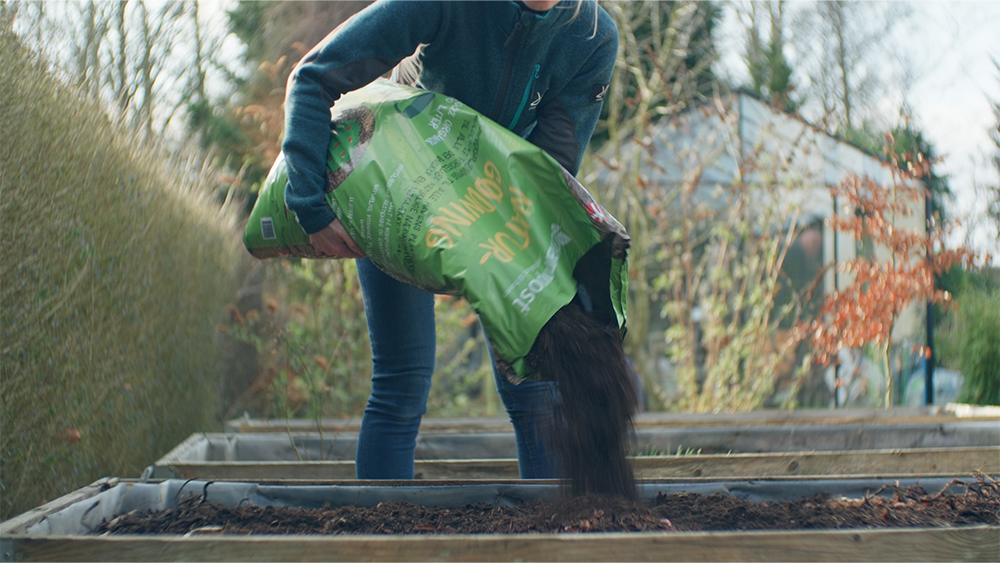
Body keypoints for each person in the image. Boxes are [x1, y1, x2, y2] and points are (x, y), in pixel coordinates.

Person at [281, 0, 619, 480]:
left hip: (497, 201)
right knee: (402, 383)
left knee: (534, 387)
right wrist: (311, 206)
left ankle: (551, 525)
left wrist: (529, 277)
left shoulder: (590, 34)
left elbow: (552, 167)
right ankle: (382, 529)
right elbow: (313, 77)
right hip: (402, 188)